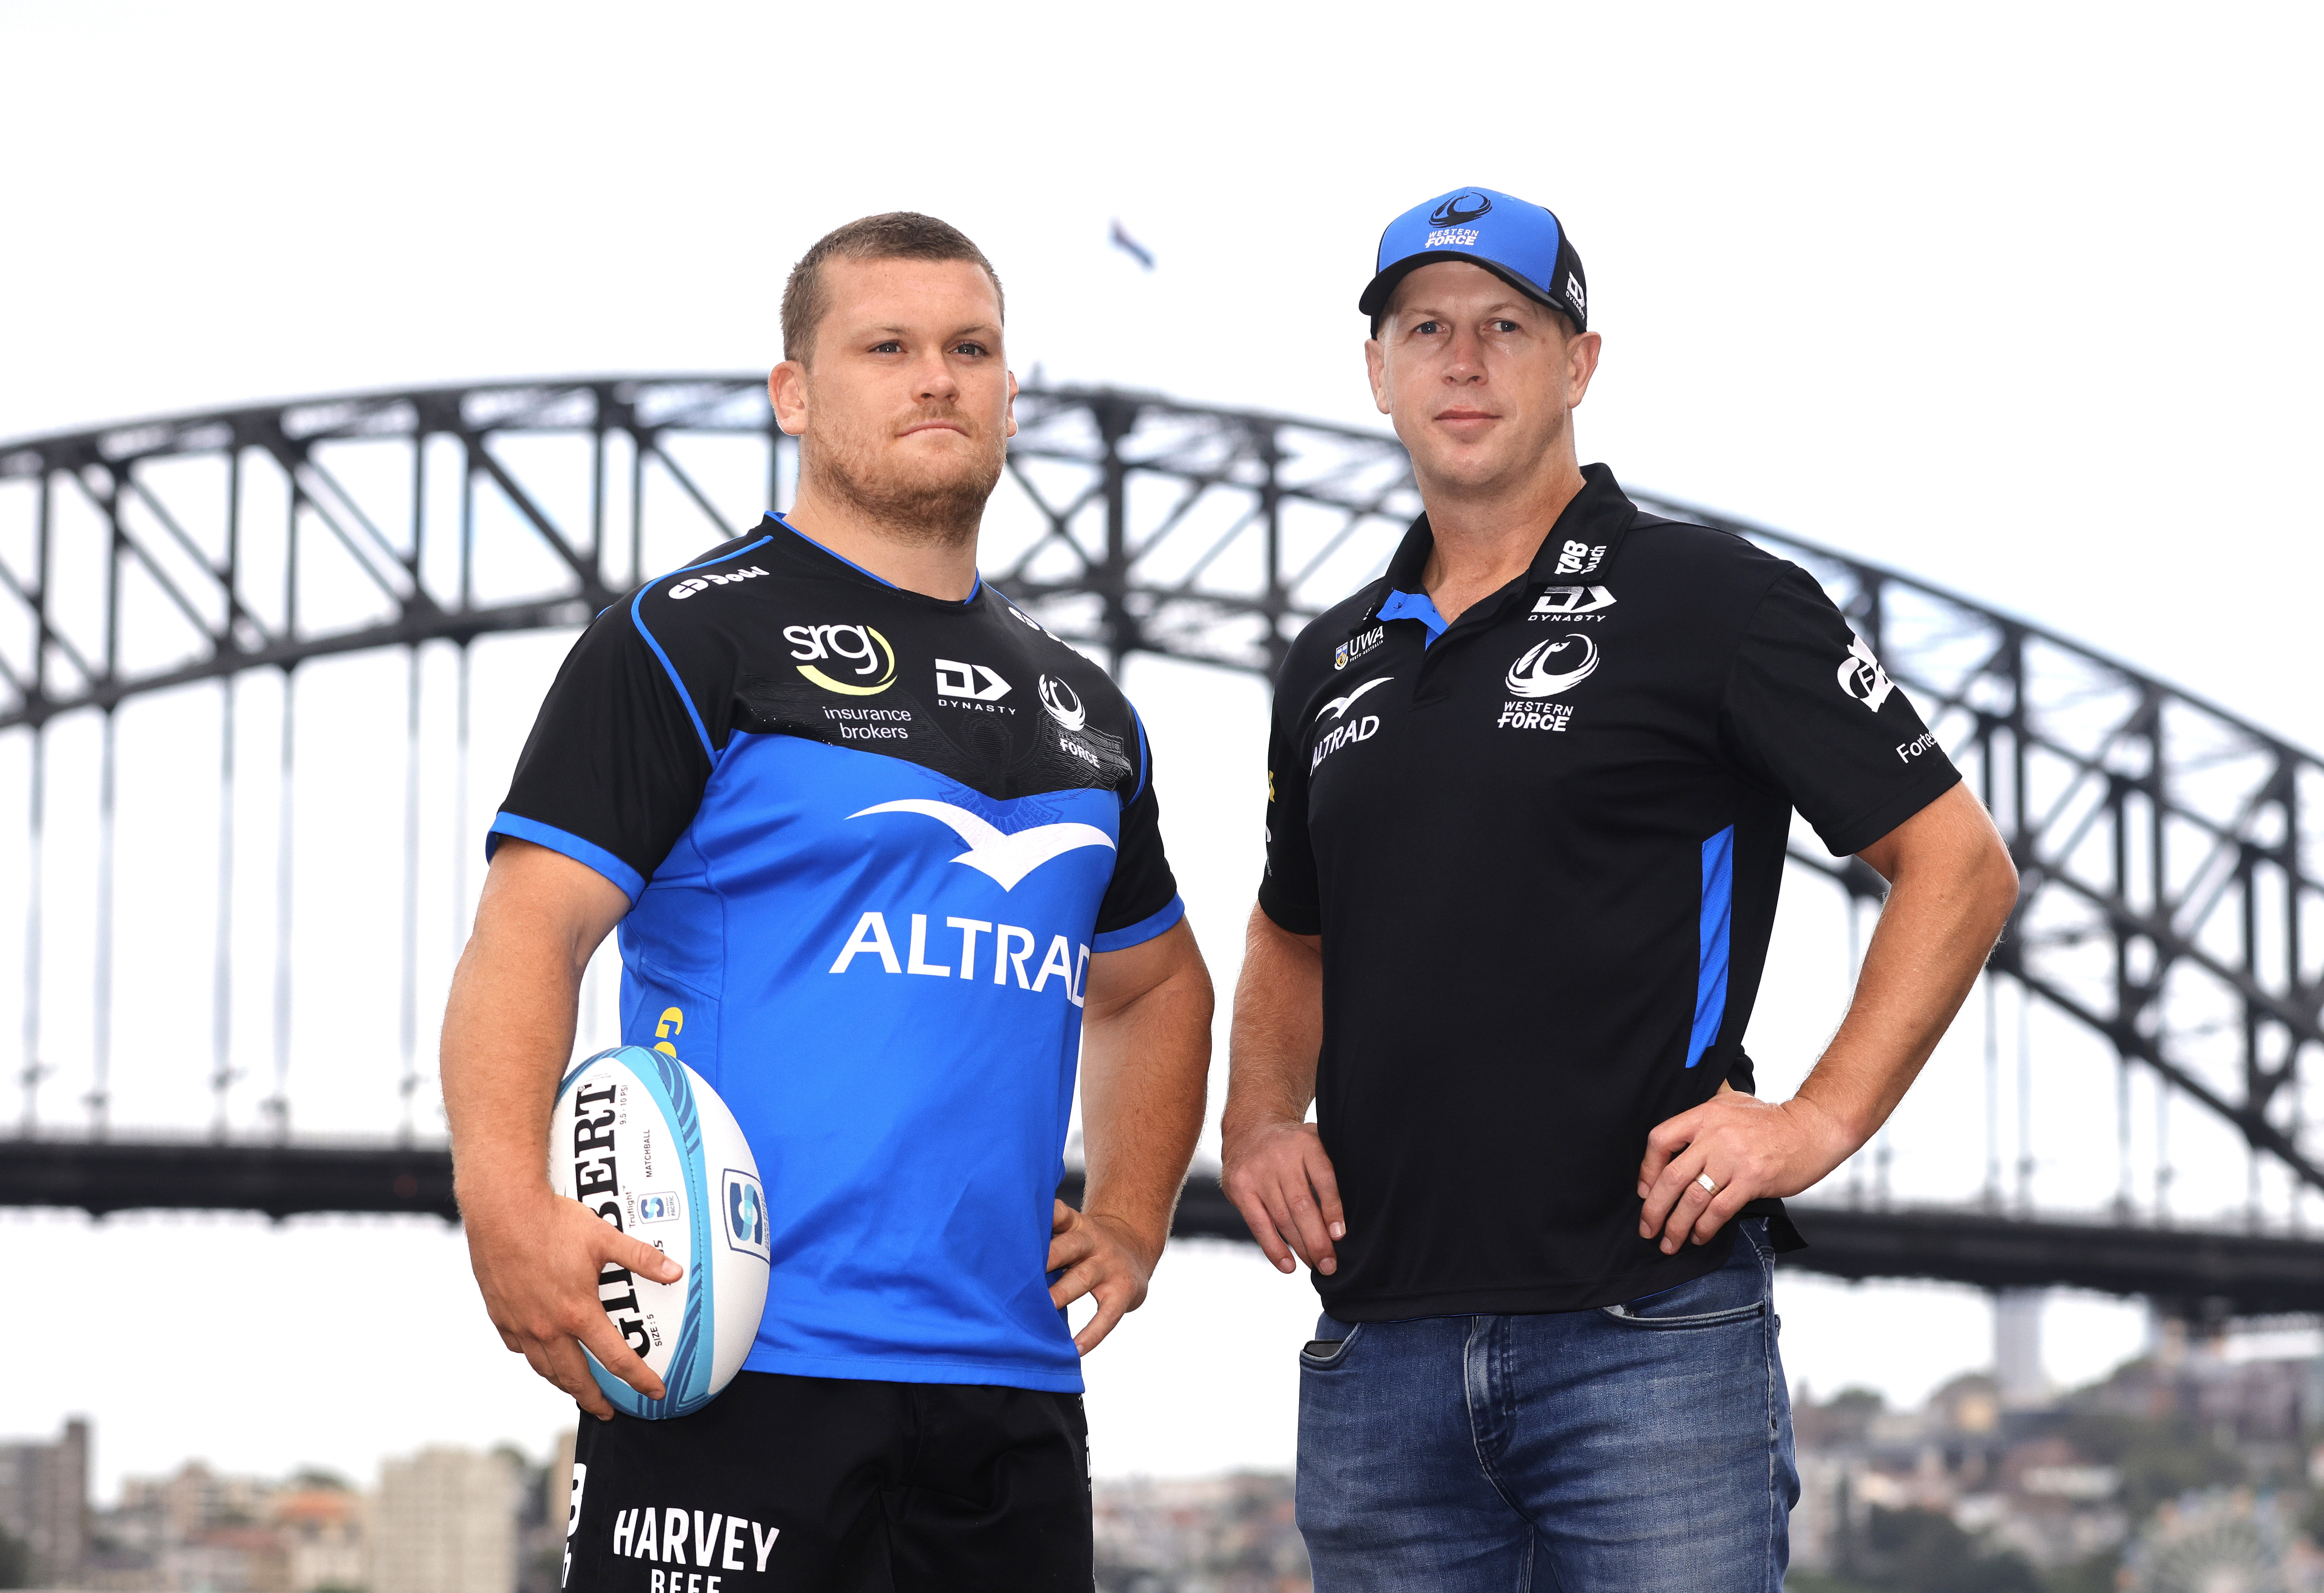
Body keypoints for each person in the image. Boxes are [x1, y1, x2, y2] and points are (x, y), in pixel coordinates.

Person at [1221, 185, 2019, 1591]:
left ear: (1580, 362)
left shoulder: (1716, 603)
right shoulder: (1331, 659)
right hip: (1378, 1352)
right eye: (1427, 331)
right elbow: (1294, 932)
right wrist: (1260, 1112)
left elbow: (1956, 863)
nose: (1463, 364)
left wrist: (1820, 1117)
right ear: (1378, 372)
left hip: (1643, 1342)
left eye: (1506, 327)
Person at [441, 212, 1213, 1593]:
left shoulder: (1086, 712)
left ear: (1008, 392)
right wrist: (505, 1204)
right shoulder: (687, 640)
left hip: (1006, 1400)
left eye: (971, 348)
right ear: (796, 392)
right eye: (890, 347)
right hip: (732, 1363)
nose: (939, 378)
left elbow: (1155, 984)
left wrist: (1137, 1217)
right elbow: (529, 931)